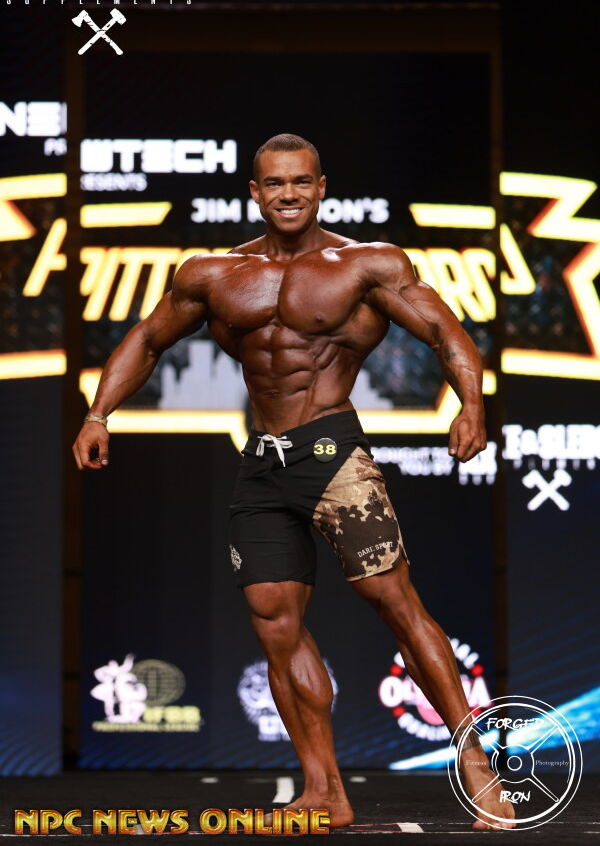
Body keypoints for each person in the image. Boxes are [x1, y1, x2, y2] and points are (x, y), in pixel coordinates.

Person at [73, 133, 515, 830]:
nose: (289, 194)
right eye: (275, 183)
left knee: (395, 603)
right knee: (276, 625)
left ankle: (476, 763)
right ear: (255, 192)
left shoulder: (366, 264)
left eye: (301, 182)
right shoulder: (213, 274)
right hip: (263, 464)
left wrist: (472, 405)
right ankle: (323, 789)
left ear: (321, 187)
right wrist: (98, 413)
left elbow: (443, 332)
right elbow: (148, 339)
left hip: (334, 456)